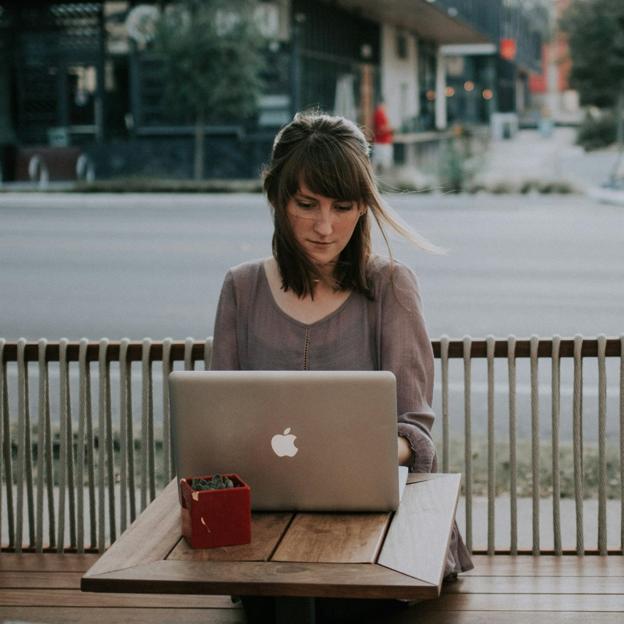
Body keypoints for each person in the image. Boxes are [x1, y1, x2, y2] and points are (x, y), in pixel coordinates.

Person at [211, 111, 472, 623]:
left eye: (343, 206)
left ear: (363, 208)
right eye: (306, 205)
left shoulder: (391, 287)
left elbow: (415, 433)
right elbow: (218, 423)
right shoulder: (241, 289)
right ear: (277, 198)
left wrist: (347, 453)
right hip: (266, 529)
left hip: (379, 533)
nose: (325, 227)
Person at [372, 99, 394, 173]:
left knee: (382, 161)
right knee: (381, 161)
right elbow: (381, 129)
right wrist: (390, 128)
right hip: (381, 142)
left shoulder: (382, 114)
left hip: (383, 142)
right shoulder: (379, 114)